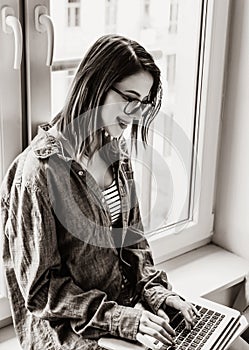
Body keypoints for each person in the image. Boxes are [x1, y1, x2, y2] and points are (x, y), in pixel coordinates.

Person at [0, 34, 236, 350]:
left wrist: (158, 295)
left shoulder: (115, 151)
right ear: (96, 84)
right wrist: (123, 320)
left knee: (230, 343)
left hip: (124, 317)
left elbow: (134, 241)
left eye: (143, 103)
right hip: (74, 336)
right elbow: (42, 291)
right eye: (129, 98)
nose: (136, 113)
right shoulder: (37, 173)